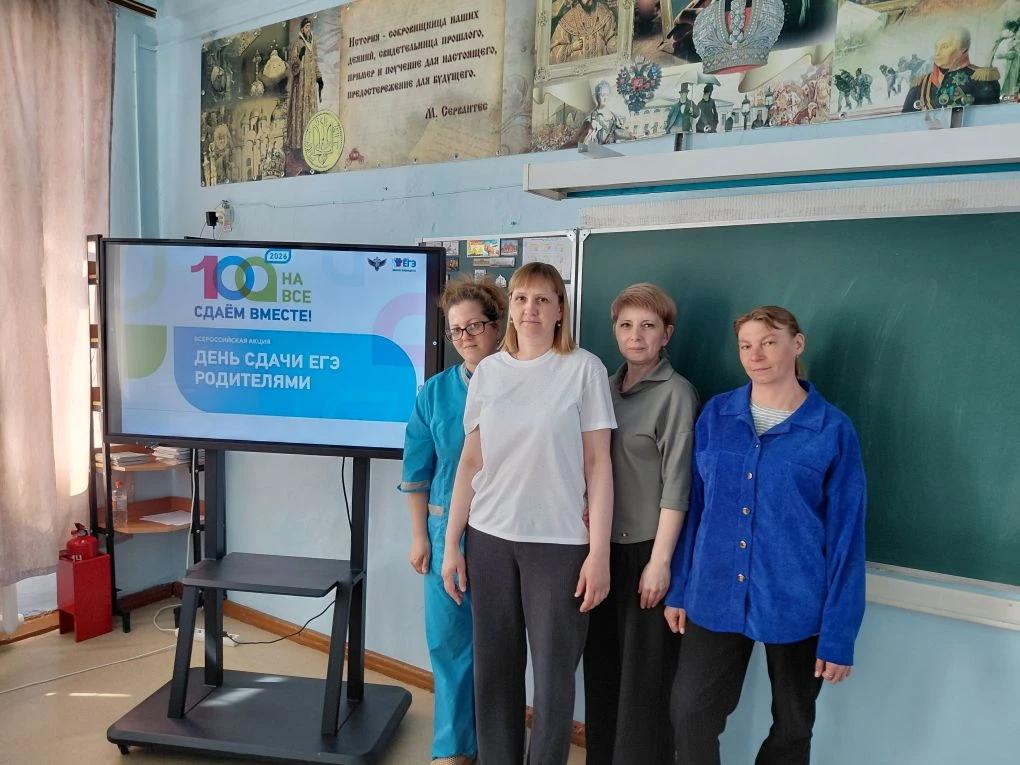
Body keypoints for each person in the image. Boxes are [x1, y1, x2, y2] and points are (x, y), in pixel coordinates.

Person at [666, 306, 867, 765]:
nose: (755, 354)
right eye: (746, 345)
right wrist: (679, 587)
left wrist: (839, 634)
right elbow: (695, 509)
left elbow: (847, 538)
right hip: (713, 593)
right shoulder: (716, 414)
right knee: (691, 713)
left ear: (797, 344)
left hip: (796, 601)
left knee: (793, 727)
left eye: (769, 342)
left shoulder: (832, 430)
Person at [441, 262, 616, 764]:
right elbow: (470, 462)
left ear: (560, 310)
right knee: (495, 673)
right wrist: (452, 544)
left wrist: (599, 554)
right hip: (490, 539)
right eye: (520, 298)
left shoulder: (584, 370)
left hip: (559, 545)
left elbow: (599, 465)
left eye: (542, 299)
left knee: (554, 679)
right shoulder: (489, 372)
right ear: (510, 309)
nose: (530, 309)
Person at [583, 284, 698, 765]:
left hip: (646, 552)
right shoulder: (602, 387)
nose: (636, 336)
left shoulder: (676, 393)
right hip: (599, 551)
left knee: (645, 685)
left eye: (648, 326)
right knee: (602, 673)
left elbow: (678, 485)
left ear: (666, 334)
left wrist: (660, 563)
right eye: (626, 325)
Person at [400, 277, 508, 765]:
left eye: (475, 327)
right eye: (456, 330)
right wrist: (419, 536)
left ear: (497, 326)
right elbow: (417, 471)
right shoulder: (435, 393)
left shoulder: (521, 382)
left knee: (498, 647)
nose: (465, 337)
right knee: (447, 643)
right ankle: (453, 748)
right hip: (445, 532)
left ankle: (498, 745)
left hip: (505, 531)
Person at [903, 27, 1001, 112]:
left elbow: (989, 117)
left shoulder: (981, 79)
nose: (937, 53)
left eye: (945, 47)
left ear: (962, 49)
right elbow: (906, 121)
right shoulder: (921, 84)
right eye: (936, 47)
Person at [286, 17, 325, 151]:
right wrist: (299, 57)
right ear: (302, 28)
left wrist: (319, 77)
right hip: (300, 85)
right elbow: (292, 67)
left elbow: (315, 63)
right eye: (306, 26)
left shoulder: (313, 44)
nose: (308, 29)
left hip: (310, 86)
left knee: (310, 112)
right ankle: (298, 146)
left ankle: (310, 143)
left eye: (309, 26)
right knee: (300, 112)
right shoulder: (297, 43)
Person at [550, 0, 619, 64]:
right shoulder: (568, 18)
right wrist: (571, 48)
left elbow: (612, 41)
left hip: (601, 66)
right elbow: (552, 55)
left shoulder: (604, 13)